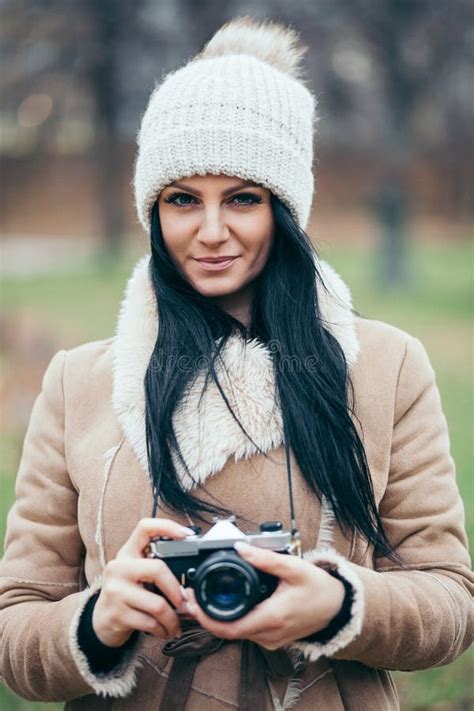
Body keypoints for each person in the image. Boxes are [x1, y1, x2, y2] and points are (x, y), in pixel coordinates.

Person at [0, 15, 472, 711]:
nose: (211, 231)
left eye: (243, 198)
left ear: (285, 209)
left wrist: (340, 604)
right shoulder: (80, 382)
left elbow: (451, 601)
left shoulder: (385, 368)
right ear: (152, 210)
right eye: (183, 199)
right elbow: (16, 624)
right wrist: (97, 620)